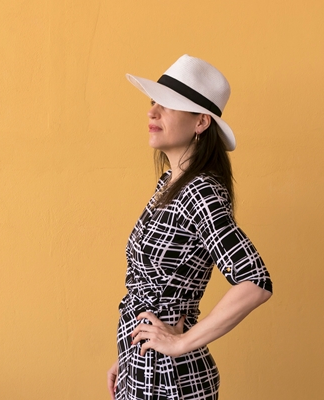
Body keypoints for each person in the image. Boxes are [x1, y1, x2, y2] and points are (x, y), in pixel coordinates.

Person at [107, 54, 273, 400]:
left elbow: (255, 282)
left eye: (167, 105)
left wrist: (181, 343)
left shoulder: (200, 192)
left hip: (170, 380)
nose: (152, 112)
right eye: (153, 102)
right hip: (141, 367)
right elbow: (148, 287)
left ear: (201, 122)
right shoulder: (170, 184)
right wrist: (126, 356)